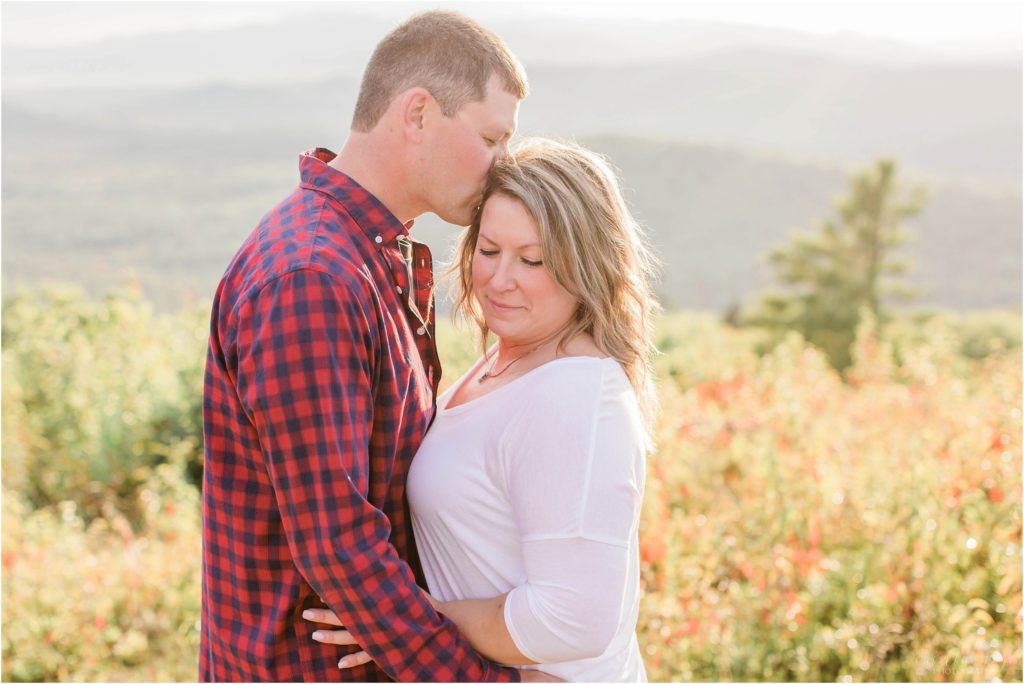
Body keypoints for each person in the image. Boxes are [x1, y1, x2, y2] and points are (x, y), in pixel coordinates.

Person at [200, 10, 560, 682]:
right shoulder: (313, 277)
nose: (503, 163)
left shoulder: (366, 256)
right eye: (490, 136)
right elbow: (340, 544)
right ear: (418, 114)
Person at [304, 138, 659, 682]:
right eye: (489, 251)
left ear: (586, 265)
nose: (499, 279)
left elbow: (575, 620)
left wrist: (403, 625)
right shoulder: (512, 357)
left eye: (533, 259)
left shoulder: (577, 394)